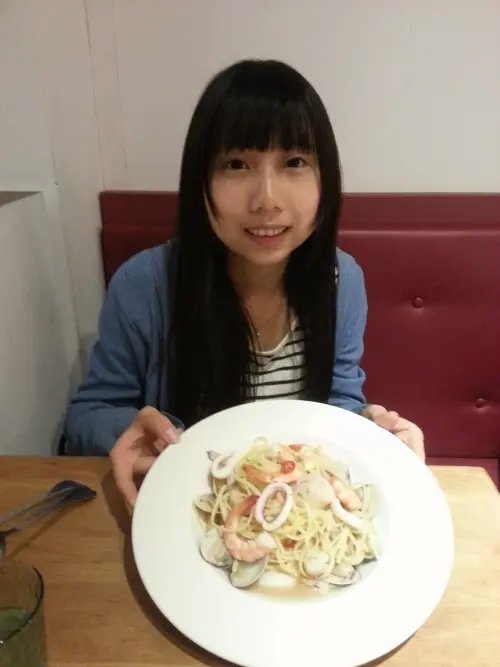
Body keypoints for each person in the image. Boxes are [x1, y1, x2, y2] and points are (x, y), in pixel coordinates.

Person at [64, 59, 425, 505]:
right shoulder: (145, 284)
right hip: (185, 507)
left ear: (325, 178)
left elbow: (338, 402)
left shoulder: (341, 281)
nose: (266, 200)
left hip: (293, 510)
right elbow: (87, 416)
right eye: (236, 164)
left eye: (294, 162)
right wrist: (128, 428)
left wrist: (372, 425)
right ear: (200, 180)